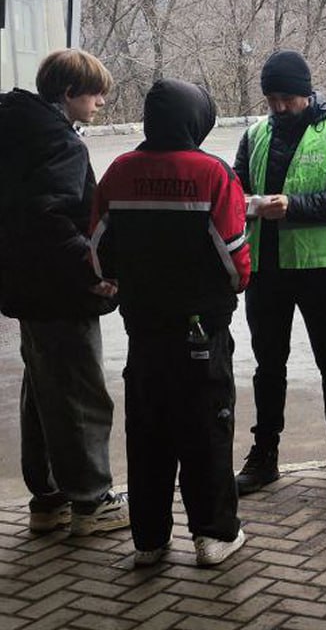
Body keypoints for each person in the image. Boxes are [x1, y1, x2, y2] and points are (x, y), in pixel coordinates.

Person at [91, 79, 251, 567]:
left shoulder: (119, 172)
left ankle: (150, 541)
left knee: (148, 431)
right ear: (196, 119)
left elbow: (97, 251)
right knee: (206, 425)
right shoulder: (212, 174)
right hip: (200, 329)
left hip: (143, 327)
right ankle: (212, 535)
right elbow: (235, 261)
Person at [0, 48, 129, 537]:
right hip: (59, 290)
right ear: (69, 92)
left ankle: (48, 498)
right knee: (78, 393)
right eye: (95, 93)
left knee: (43, 392)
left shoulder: (16, 132)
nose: (100, 102)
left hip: (26, 288)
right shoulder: (59, 144)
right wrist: (92, 267)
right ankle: (91, 501)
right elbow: (50, 217)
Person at [232, 50, 326, 494]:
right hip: (266, 268)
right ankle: (264, 454)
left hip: (318, 267)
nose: (278, 107)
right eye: (271, 99)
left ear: (306, 93)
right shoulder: (254, 134)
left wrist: (292, 207)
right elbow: (235, 190)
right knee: (268, 365)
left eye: (286, 98)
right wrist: (249, 206)